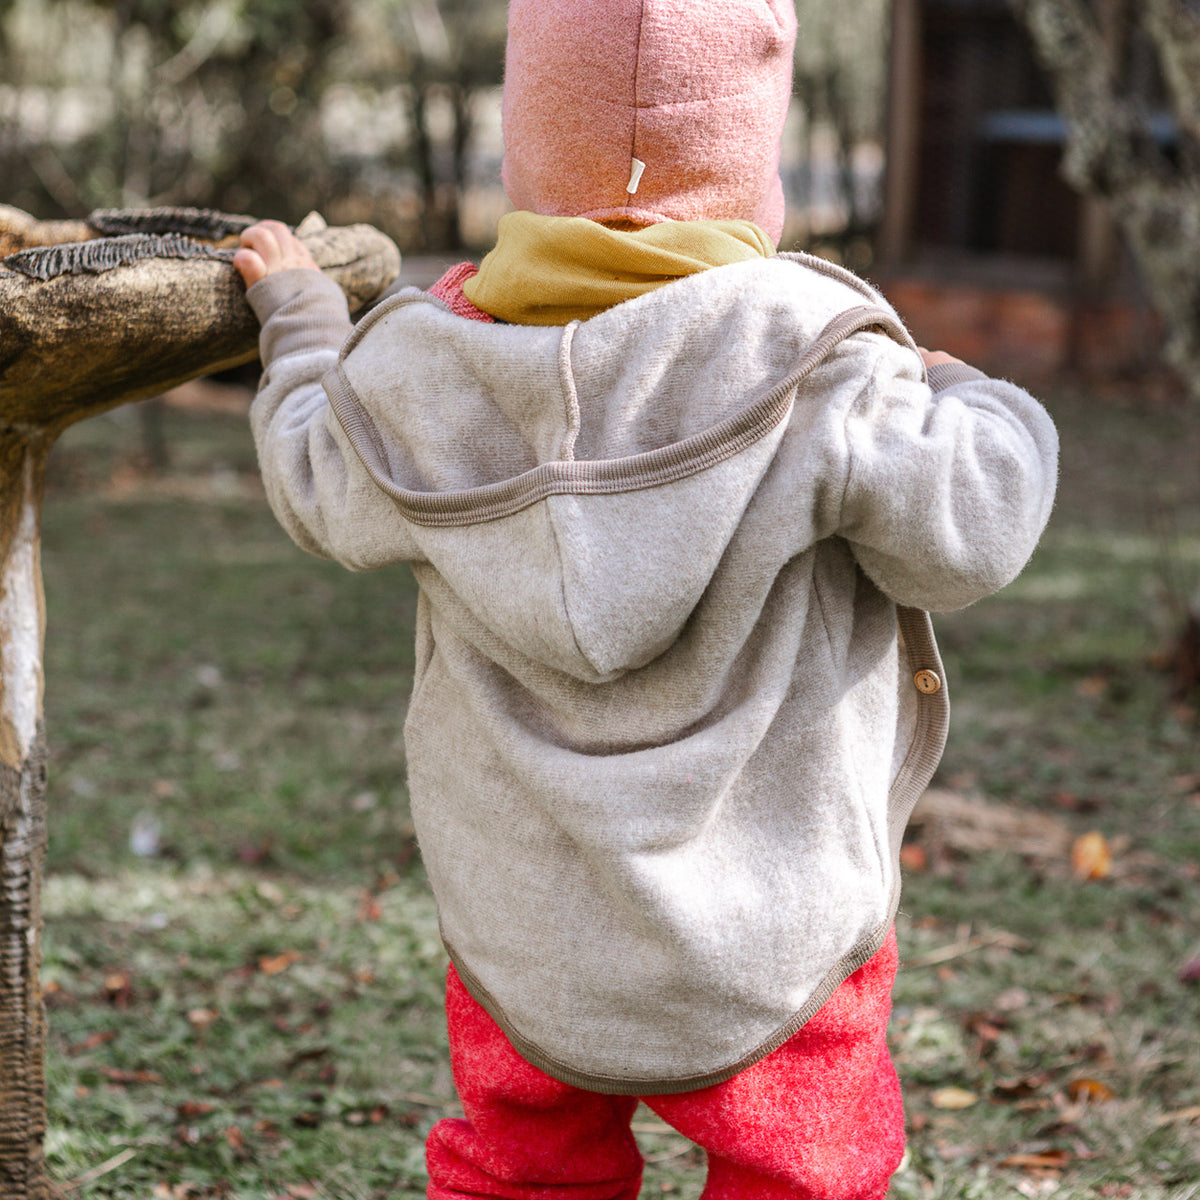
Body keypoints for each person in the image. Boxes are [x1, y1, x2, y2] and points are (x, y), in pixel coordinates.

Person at [232, 2, 1058, 1195]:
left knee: (521, 1170)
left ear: (530, 145)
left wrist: (305, 324)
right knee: (799, 1174)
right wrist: (963, 385)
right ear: (746, 161)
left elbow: (314, 472)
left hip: (525, 928)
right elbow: (972, 533)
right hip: (769, 931)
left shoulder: (418, 372)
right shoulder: (825, 370)